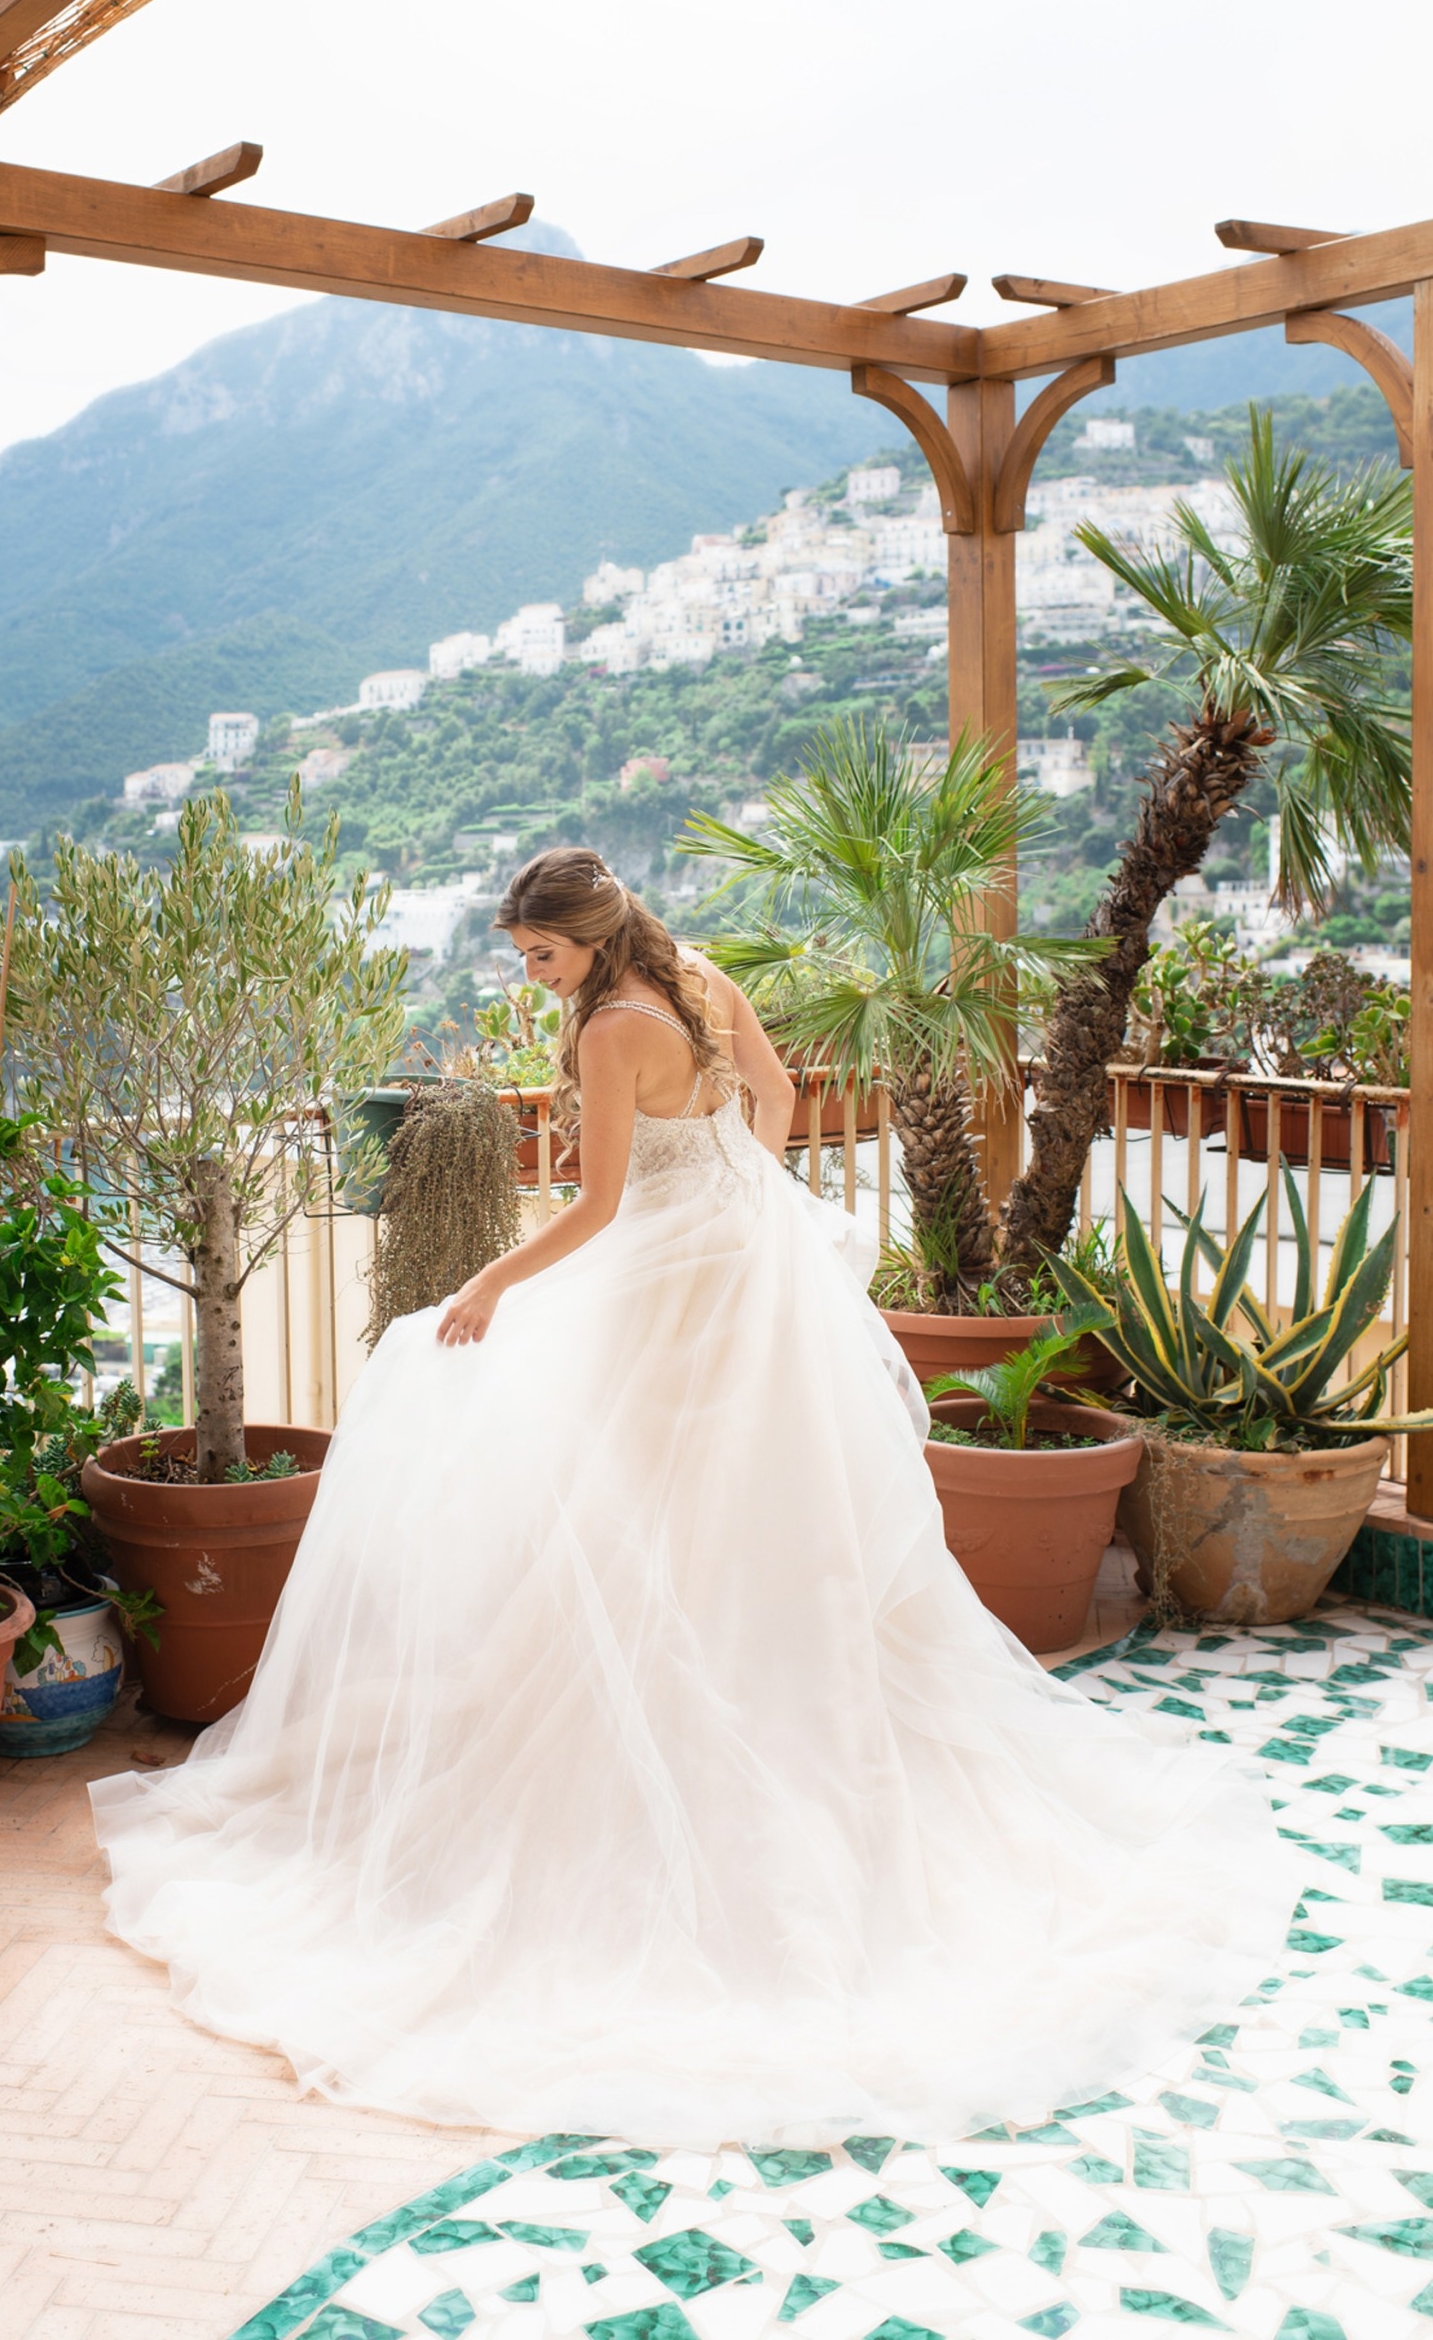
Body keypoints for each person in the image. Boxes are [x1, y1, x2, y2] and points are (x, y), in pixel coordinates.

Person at [90, 847, 1294, 2146]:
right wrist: (735, 1204)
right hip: (750, 1264)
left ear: (585, 938)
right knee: (748, 1505)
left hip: (671, 1285)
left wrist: (490, 1286)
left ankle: (679, 1716)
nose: (530, 976)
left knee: (645, 1501)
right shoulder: (695, 974)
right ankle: (738, 1681)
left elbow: (600, 1206)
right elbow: (771, 1099)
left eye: (538, 955)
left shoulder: (613, 1028)